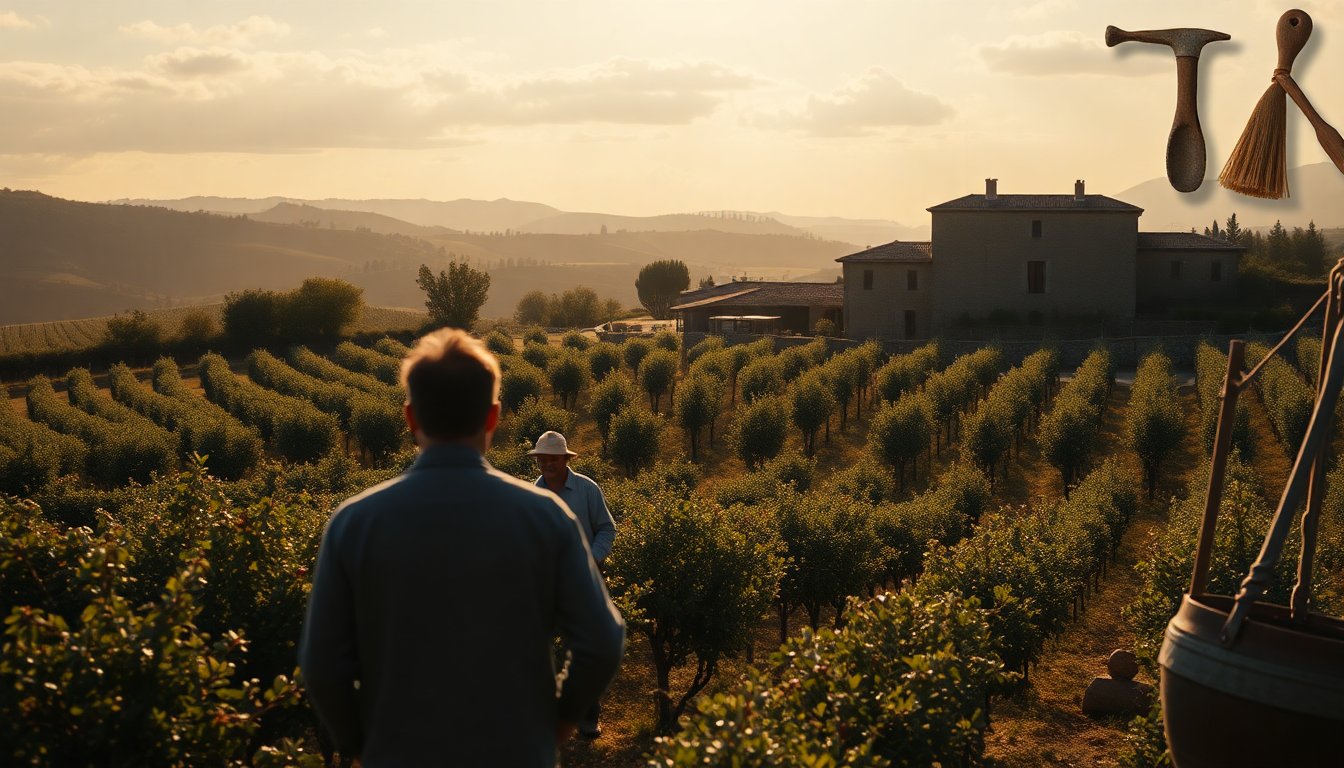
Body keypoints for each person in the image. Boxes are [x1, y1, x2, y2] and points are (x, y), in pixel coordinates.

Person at [300, 328, 625, 767]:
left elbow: (321, 666)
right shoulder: (545, 518)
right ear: (493, 417)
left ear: (410, 418)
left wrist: (359, 744)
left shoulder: (353, 524)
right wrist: (559, 721)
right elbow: (602, 641)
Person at [529, 431, 616, 739]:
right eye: (542, 458)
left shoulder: (587, 489)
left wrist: (590, 560)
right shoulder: (533, 495)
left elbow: (606, 528)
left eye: (552, 458)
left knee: (586, 647)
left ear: (565, 459)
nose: (546, 463)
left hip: (586, 579)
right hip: (547, 583)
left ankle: (588, 716)